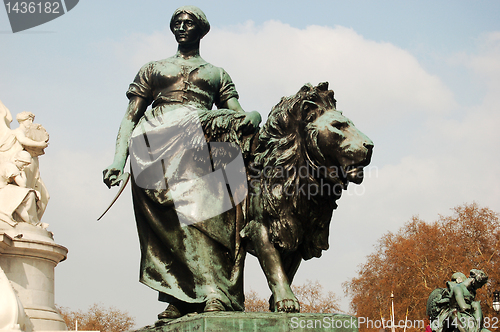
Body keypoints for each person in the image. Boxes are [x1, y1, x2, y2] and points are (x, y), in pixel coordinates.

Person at [103, 6, 261, 319]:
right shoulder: (154, 68)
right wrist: (118, 161)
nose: (182, 27)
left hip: (197, 144)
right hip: (153, 148)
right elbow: (130, 117)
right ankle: (181, 294)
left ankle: (211, 291)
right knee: (170, 226)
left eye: (189, 22)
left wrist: (252, 117)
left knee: (203, 216)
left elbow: (236, 112)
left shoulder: (217, 73)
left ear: (202, 30)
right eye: (177, 22)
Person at [0, 150, 41, 226]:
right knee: (30, 194)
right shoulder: (11, 167)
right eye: (24, 163)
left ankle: (31, 221)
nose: (24, 166)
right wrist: (23, 174)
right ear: (17, 160)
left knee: (27, 195)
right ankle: (31, 221)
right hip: (2, 190)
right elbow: (22, 185)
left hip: (5, 189)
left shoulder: (9, 165)